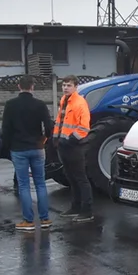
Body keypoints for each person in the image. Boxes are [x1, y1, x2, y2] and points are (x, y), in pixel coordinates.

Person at [2, 75, 55, 231]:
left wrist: (7, 146)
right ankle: (45, 219)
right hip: (37, 147)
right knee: (40, 183)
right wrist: (44, 139)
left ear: (19, 86)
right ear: (33, 87)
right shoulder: (40, 105)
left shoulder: (10, 105)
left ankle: (28, 221)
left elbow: (6, 129)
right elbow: (49, 126)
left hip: (19, 148)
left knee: (24, 185)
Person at [53, 75, 94, 223]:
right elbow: (60, 121)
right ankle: (75, 207)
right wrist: (55, 137)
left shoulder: (79, 103)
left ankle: (87, 210)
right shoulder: (64, 101)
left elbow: (84, 127)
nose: (65, 87)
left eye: (69, 85)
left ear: (75, 87)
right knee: (71, 177)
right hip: (64, 145)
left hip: (75, 146)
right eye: (64, 85)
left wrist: (71, 140)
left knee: (80, 178)